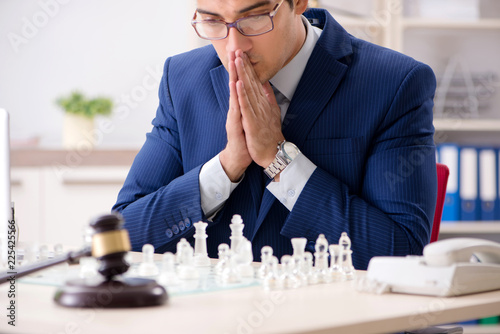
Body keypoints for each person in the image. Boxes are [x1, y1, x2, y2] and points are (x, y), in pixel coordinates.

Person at [113, 0, 437, 270]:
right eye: (213, 21)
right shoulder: (181, 80)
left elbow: (402, 253)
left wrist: (278, 158)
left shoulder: (394, 83)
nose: (234, 47)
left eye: (253, 18)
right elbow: (122, 236)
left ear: (300, 3)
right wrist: (226, 166)